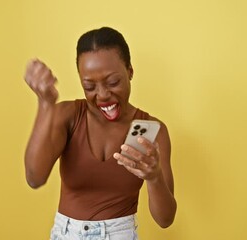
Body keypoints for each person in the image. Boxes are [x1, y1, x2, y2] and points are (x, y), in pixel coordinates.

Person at [24, 26, 177, 240]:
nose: (103, 95)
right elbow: (34, 178)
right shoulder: (68, 116)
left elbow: (165, 219)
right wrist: (45, 105)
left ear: (130, 71)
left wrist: (154, 176)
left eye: (113, 82)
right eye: (89, 86)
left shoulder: (152, 130)